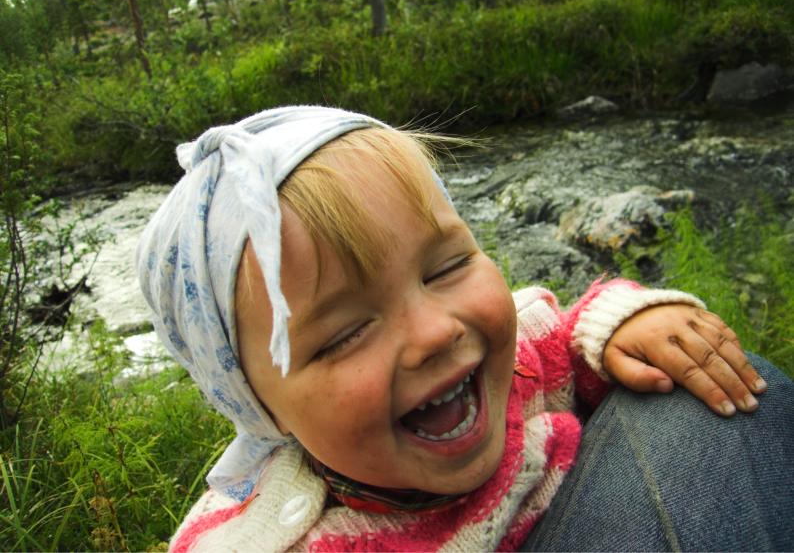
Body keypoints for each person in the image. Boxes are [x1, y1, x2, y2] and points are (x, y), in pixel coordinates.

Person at [136, 106, 793, 552]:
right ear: (258, 407)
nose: (433, 332)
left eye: (446, 266)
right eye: (342, 335)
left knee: (713, 386)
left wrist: (631, 321)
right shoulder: (267, 536)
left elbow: (571, 333)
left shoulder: (521, 369)